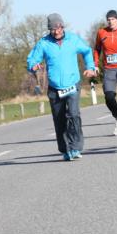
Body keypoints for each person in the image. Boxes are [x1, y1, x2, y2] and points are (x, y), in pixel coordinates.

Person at [27, 13, 97, 160]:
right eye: (53, 28)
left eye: (58, 27)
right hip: (54, 87)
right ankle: (65, 150)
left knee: (73, 115)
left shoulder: (73, 39)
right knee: (59, 119)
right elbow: (32, 58)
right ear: (49, 29)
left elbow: (87, 51)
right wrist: (33, 66)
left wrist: (90, 66)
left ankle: (76, 148)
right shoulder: (44, 43)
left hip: (72, 84)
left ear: (63, 26)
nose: (56, 31)